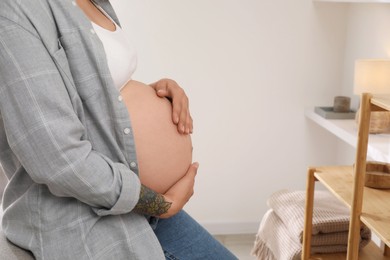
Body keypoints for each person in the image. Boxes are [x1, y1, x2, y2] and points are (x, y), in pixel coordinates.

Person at [0, 0, 238, 259]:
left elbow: (87, 95)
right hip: (87, 218)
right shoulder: (14, 10)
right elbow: (56, 158)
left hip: (139, 204)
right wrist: (157, 203)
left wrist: (151, 92)